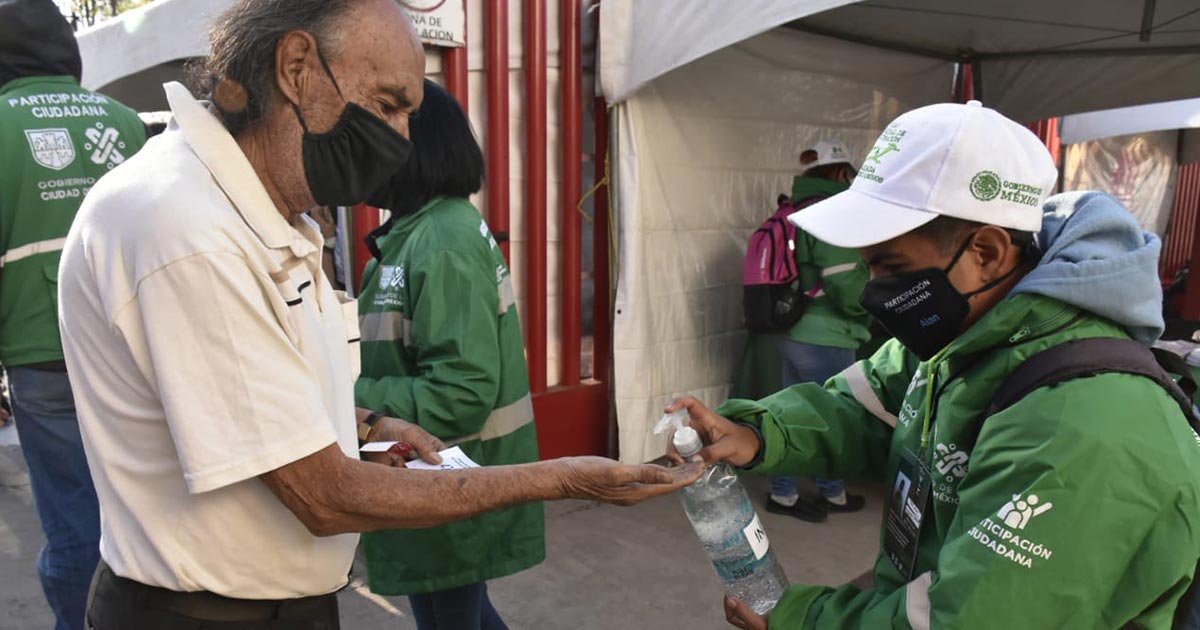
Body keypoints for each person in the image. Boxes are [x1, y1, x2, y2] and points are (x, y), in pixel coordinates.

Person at [56, 2, 700, 629]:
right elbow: (323, 494)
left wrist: (368, 421)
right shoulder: (188, 231)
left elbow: (278, 390)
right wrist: (562, 479)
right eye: (389, 104)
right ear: (297, 68)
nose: (400, 139)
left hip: (278, 600)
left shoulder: (262, 217)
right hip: (207, 614)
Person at [670, 101, 1200, 629]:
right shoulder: (962, 336)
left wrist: (804, 620)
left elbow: (971, 619)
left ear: (987, 252)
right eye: (868, 265)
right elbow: (861, 407)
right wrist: (757, 432)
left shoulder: (1084, 424)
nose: (871, 291)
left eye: (891, 266)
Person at [353, 79, 539, 630]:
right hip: (433, 477)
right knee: (459, 613)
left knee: (450, 616)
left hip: (451, 476)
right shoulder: (419, 230)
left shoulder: (443, 240)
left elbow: (460, 393)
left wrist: (346, 398)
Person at [0, 2, 147, 628]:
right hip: (135, 348)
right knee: (141, 506)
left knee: (72, 520)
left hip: (41, 350)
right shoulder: (125, 123)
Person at [770, 140, 871, 522]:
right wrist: (871, 307)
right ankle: (827, 492)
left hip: (793, 328)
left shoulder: (797, 208)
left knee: (793, 414)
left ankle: (788, 492)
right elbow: (845, 285)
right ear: (843, 173)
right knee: (829, 419)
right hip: (827, 335)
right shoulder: (834, 213)